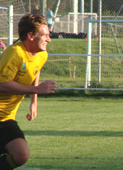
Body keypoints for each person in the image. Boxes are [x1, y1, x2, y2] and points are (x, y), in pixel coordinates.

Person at [0, 14, 57, 169]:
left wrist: (34, 102)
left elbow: (35, 71)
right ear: (31, 36)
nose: (49, 39)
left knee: (21, 154)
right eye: (45, 35)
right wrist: (36, 89)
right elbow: (2, 84)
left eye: (49, 35)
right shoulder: (15, 53)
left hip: (5, 119)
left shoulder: (42, 54)